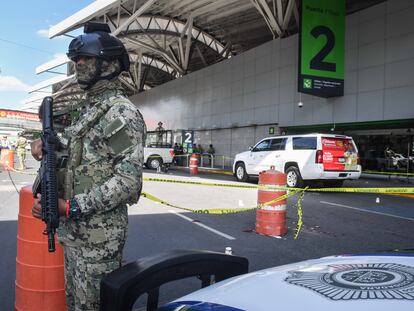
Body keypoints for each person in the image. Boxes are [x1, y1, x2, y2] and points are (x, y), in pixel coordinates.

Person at [31, 22, 146, 311]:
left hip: (98, 240)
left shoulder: (120, 112)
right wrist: (44, 146)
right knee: (75, 303)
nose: (77, 64)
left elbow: (127, 182)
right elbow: (74, 154)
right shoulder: (89, 111)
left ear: (107, 64)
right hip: (75, 234)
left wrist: (70, 207)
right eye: (75, 59)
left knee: (91, 307)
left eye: (85, 58)